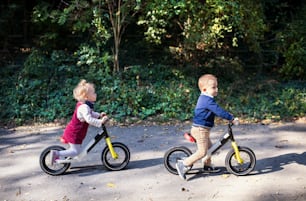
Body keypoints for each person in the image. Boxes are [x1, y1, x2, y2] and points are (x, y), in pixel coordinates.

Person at [176, 74, 237, 180]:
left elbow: (218, 109)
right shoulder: (206, 100)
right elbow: (218, 111)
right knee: (203, 151)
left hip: (203, 129)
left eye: (217, 86)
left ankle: (207, 166)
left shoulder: (206, 99)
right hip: (200, 130)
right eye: (213, 87)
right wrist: (230, 118)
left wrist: (228, 115)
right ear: (204, 89)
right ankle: (184, 164)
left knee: (210, 149)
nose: (216, 89)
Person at [50, 79, 109, 165]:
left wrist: (99, 115)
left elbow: (91, 113)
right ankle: (56, 154)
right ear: (86, 97)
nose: (95, 94)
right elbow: (89, 119)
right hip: (74, 133)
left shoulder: (85, 106)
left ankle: (61, 154)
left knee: (76, 150)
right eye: (93, 93)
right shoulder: (84, 107)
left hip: (76, 133)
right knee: (75, 151)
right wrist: (100, 122)